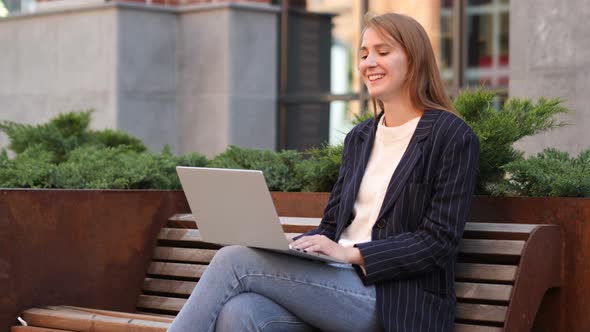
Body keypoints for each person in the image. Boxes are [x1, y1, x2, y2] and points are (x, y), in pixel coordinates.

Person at [169, 12, 479, 332]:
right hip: (334, 287)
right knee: (241, 311)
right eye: (363, 54)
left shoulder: (452, 136)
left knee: (234, 260)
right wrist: (293, 248)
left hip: (395, 299)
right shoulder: (360, 138)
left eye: (383, 52)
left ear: (414, 61)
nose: (369, 62)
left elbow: (437, 242)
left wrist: (350, 254)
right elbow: (332, 225)